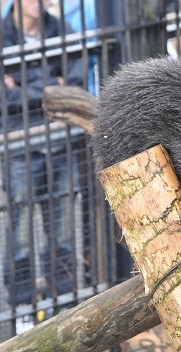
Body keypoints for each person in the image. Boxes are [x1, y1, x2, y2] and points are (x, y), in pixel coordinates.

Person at [1, 0, 84, 307]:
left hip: (61, 142)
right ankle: (23, 305)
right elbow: (4, 101)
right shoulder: (3, 35)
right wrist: (52, 84)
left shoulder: (62, 30)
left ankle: (64, 299)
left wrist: (23, 88)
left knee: (63, 233)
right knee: (20, 234)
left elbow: (74, 88)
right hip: (20, 148)